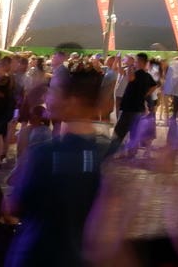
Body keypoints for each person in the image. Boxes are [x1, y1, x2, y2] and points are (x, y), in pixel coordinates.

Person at [6, 66, 113, 267]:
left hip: (37, 254)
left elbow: (15, 206)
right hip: (79, 257)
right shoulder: (107, 152)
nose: (47, 97)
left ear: (72, 102)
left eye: (53, 91)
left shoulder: (44, 154)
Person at [114, 53, 156, 148]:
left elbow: (130, 78)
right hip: (139, 107)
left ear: (140, 62)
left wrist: (129, 65)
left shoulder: (138, 74)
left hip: (130, 107)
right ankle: (132, 153)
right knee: (134, 131)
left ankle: (112, 153)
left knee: (119, 131)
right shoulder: (147, 75)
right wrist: (145, 94)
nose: (135, 63)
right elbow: (154, 85)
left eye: (136, 61)